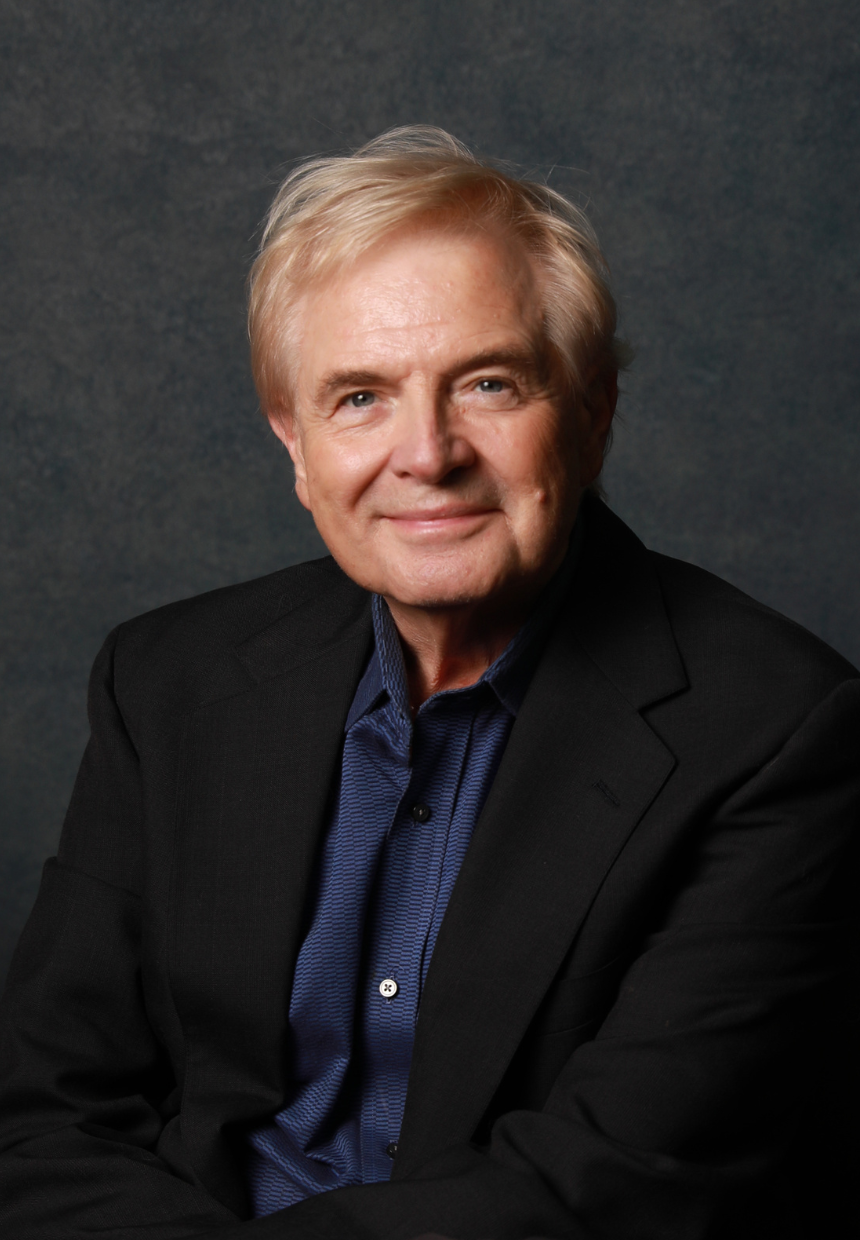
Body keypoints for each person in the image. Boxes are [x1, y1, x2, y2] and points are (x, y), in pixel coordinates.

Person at [0, 127, 858, 1240]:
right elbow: (45, 1110)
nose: (426, 452)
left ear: (591, 414)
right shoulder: (167, 682)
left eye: (489, 383)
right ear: (294, 442)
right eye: (358, 397)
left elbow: (616, 1179)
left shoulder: (778, 730)